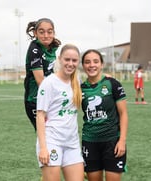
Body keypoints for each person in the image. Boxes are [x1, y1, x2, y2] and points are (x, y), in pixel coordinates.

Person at [36, 44, 84, 181]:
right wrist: (43, 148)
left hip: (72, 142)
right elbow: (40, 116)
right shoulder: (49, 83)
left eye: (74, 60)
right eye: (67, 59)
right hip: (52, 141)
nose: (70, 63)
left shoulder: (77, 81)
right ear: (59, 59)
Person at [81, 49, 128, 181]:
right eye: (87, 62)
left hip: (112, 142)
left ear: (102, 64)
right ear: (83, 66)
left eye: (96, 61)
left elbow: (123, 114)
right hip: (90, 142)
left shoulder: (113, 84)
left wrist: (122, 140)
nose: (92, 65)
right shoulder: (79, 88)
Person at [24, 18, 61, 131]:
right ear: (35, 33)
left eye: (49, 32)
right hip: (35, 100)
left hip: (49, 98)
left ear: (53, 33)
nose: (46, 35)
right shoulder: (34, 50)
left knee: (55, 134)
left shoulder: (52, 48)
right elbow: (41, 82)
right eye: (41, 32)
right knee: (45, 136)